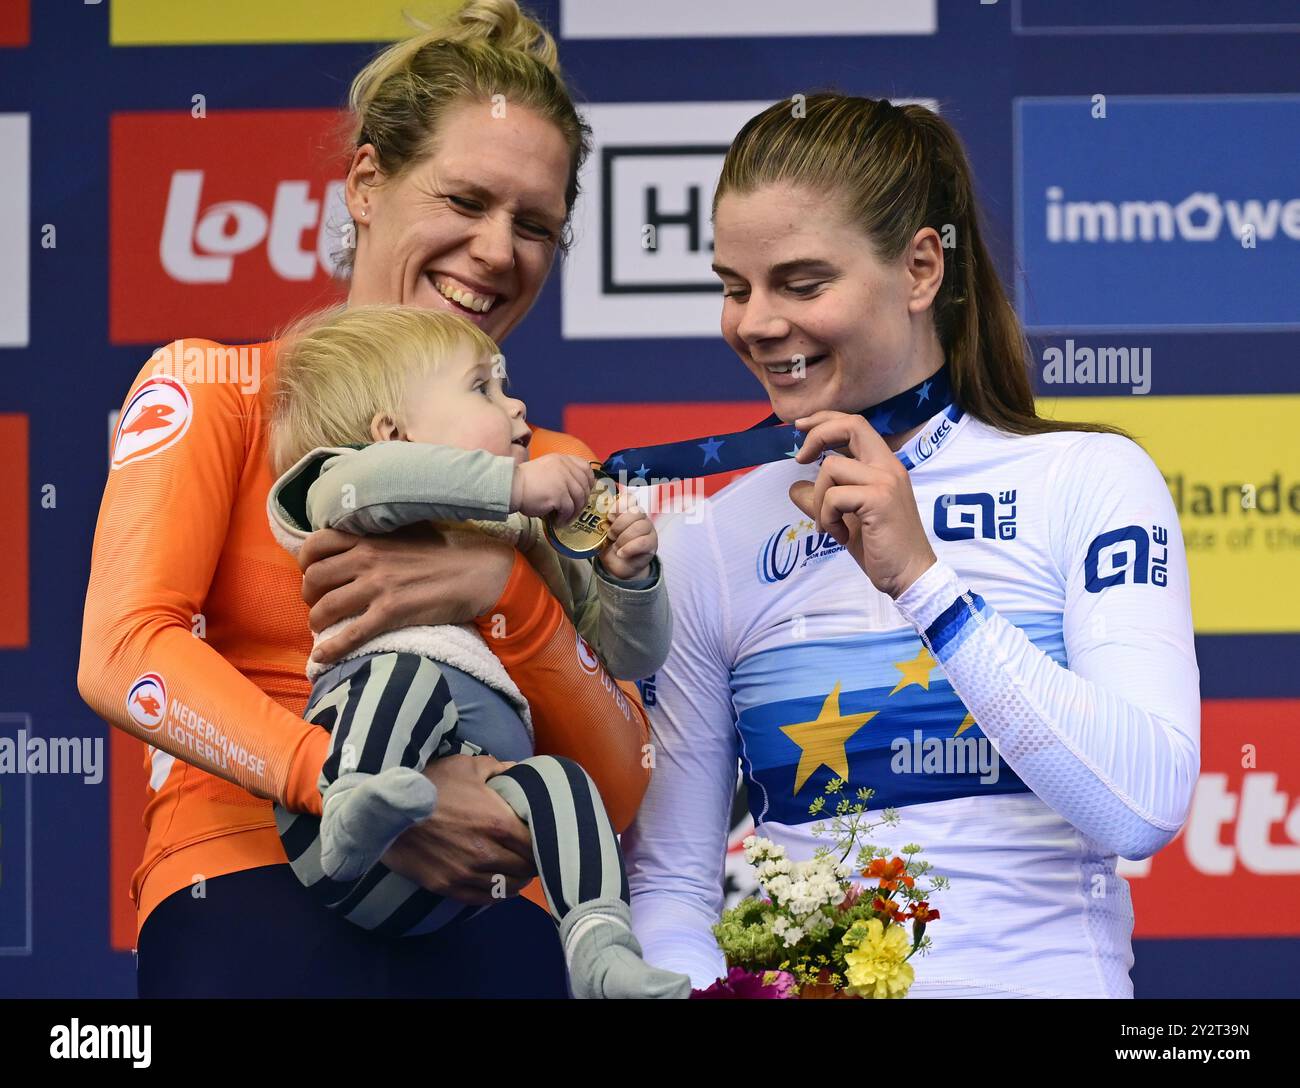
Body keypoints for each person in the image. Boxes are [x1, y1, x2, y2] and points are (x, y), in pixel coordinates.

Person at [78, 0, 654, 998]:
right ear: (364, 183)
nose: (495, 249)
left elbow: (619, 781)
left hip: (492, 910)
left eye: (533, 226)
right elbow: (124, 653)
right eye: (465, 200)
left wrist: (502, 590)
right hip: (244, 885)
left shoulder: (551, 464)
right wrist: (349, 787)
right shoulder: (219, 389)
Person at [622, 94, 1201, 999]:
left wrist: (924, 584)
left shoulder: (1087, 478)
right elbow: (669, 887)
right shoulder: (710, 537)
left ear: (922, 267)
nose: (758, 322)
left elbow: (1142, 806)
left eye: (803, 283)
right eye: (735, 287)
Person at [263, 303, 689, 998]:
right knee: (406, 678)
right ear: (390, 432)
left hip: (458, 867)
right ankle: (355, 803)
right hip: (343, 846)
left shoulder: (522, 534)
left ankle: (601, 949)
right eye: (482, 387)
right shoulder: (340, 488)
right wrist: (514, 488)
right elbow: (385, 479)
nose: (517, 404)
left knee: (563, 782)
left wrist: (628, 579)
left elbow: (627, 657)